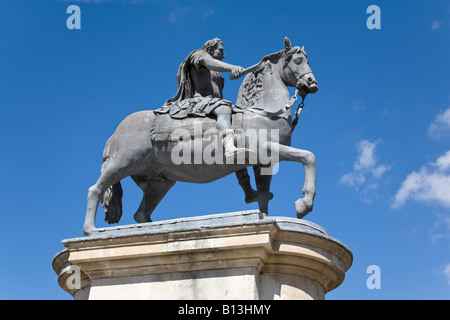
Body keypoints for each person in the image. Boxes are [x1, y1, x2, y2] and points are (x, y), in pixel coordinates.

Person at [155, 38, 270, 203]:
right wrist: (231, 68)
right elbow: (208, 62)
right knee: (224, 109)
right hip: (198, 101)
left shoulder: (216, 70)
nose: (223, 54)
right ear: (210, 48)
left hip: (213, 105)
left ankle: (248, 191)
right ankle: (229, 147)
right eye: (220, 50)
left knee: (240, 134)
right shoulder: (199, 55)